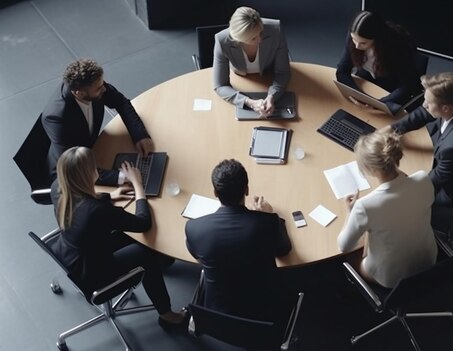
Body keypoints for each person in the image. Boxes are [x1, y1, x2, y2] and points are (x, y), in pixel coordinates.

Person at [49, 146, 186, 329]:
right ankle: (167, 315)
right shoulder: (97, 211)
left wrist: (109, 196)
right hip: (94, 274)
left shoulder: (58, 187)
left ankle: (165, 260)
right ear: (88, 174)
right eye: (94, 167)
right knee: (147, 253)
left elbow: (84, 205)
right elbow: (143, 223)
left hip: (72, 255)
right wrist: (138, 185)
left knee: (129, 237)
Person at [185, 159, 291, 320]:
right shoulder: (267, 223)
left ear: (215, 193)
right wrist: (270, 215)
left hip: (217, 317)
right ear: (247, 190)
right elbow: (284, 249)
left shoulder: (194, 228)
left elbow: (197, 255)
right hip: (265, 313)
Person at [337, 131, 437, 288]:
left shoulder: (365, 206)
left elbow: (344, 246)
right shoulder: (423, 178)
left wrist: (350, 212)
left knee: (352, 256)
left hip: (392, 277)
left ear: (370, 169)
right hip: (429, 260)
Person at [382, 72, 453, 206]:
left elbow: (433, 182)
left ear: (445, 108)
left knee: (401, 201)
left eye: (428, 103)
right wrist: (393, 129)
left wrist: (399, 184)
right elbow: (424, 113)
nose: (424, 105)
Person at [42, 58, 154, 185]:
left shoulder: (92, 85)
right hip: (71, 173)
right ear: (79, 93)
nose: (104, 89)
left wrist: (140, 135)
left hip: (92, 152)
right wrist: (123, 177)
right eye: (99, 88)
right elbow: (75, 166)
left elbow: (120, 102)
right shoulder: (56, 117)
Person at [336, 10, 422, 114]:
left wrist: (378, 104)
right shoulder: (355, 37)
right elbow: (342, 70)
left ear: (377, 38)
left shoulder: (397, 47)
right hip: (369, 77)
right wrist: (358, 96)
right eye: (354, 40)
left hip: (391, 85)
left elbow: (408, 85)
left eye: (363, 43)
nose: (356, 46)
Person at [212, 6, 291, 117]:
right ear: (238, 39)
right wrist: (249, 102)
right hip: (242, 80)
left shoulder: (275, 29)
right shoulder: (222, 41)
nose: (260, 39)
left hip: (268, 76)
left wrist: (272, 96)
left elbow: (283, 73)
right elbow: (220, 85)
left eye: (260, 32)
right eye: (253, 38)